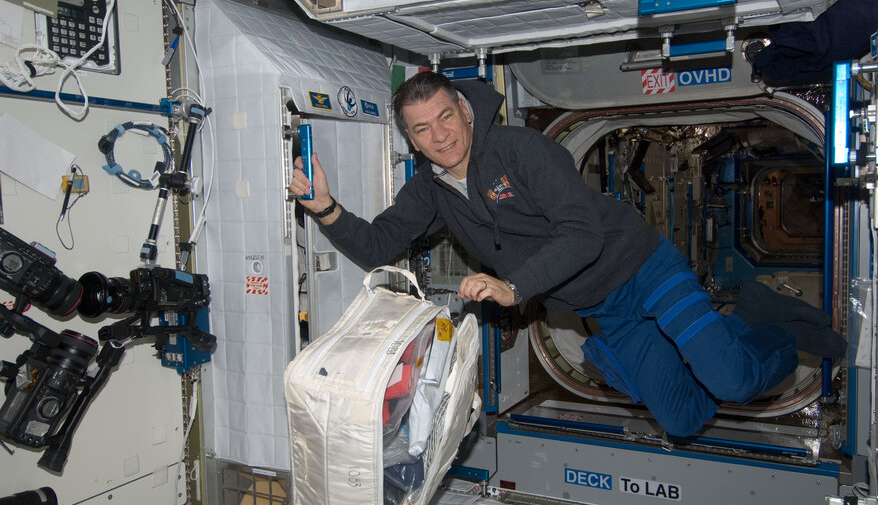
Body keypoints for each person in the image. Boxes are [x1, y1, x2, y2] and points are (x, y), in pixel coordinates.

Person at [288, 71, 804, 436]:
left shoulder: (521, 151)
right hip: (603, 310)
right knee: (684, 420)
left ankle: (776, 328)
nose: (439, 135)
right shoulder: (431, 189)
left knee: (731, 379)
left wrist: (513, 287)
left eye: (445, 117)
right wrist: (325, 207)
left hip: (645, 270)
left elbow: (582, 235)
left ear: (464, 111)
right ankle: (711, 345)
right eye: (422, 129)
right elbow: (379, 243)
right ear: (412, 141)